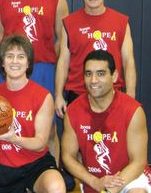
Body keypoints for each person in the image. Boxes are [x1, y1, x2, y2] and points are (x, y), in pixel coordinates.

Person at [0, 0, 69, 168]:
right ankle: (9, 175)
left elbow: (61, 40)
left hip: (43, 68)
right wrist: (15, 63)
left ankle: (50, 172)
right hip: (11, 69)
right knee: (2, 124)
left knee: (50, 129)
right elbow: (0, 35)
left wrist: (38, 59)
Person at [62, 50, 150, 193]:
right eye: (88, 74)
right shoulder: (73, 111)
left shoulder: (133, 111)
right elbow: (67, 156)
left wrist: (111, 189)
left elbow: (138, 162)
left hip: (129, 178)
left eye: (101, 74)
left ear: (114, 76)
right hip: (94, 179)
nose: (93, 80)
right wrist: (94, 182)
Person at [0, 34, 65, 193]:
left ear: (28, 62)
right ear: (2, 62)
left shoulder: (43, 96)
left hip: (35, 164)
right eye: (10, 56)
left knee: (56, 186)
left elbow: (40, 144)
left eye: (21, 56)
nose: (15, 61)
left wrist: (13, 138)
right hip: (3, 168)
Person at [55, 0, 136, 118]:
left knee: (113, 140)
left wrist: (130, 95)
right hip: (78, 93)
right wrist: (58, 95)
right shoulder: (69, 23)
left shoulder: (121, 22)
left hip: (112, 94)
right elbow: (63, 61)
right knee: (76, 141)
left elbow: (128, 61)